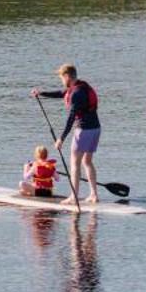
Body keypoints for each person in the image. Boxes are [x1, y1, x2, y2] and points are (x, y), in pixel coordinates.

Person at [32, 63, 102, 204]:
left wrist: (61, 139)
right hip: (96, 129)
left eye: (62, 78)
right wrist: (41, 93)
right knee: (87, 162)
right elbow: (60, 93)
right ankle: (94, 195)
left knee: (74, 164)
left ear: (67, 76)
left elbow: (71, 118)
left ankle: (73, 197)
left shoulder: (76, 94)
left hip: (83, 131)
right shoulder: (81, 87)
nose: (62, 81)